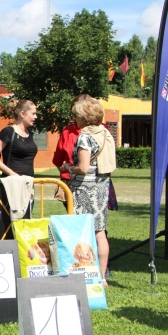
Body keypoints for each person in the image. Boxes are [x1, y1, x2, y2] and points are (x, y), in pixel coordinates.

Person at [61, 97, 116, 288]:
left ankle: (82, 273)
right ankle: (101, 277)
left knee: (81, 232)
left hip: (84, 189)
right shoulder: (105, 133)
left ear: (83, 117)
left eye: (76, 116)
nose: (74, 119)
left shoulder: (84, 136)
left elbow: (83, 168)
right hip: (102, 187)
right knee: (100, 232)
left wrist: (69, 167)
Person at [52, 94, 92, 207]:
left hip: (95, 182)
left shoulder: (101, 130)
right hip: (72, 183)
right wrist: (67, 171)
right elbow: (58, 160)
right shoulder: (67, 131)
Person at [0, 98, 38, 177]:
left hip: (28, 183)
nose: (36, 117)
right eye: (33, 114)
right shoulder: (8, 132)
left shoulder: (30, 134)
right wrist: (11, 173)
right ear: (22, 114)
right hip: (12, 183)